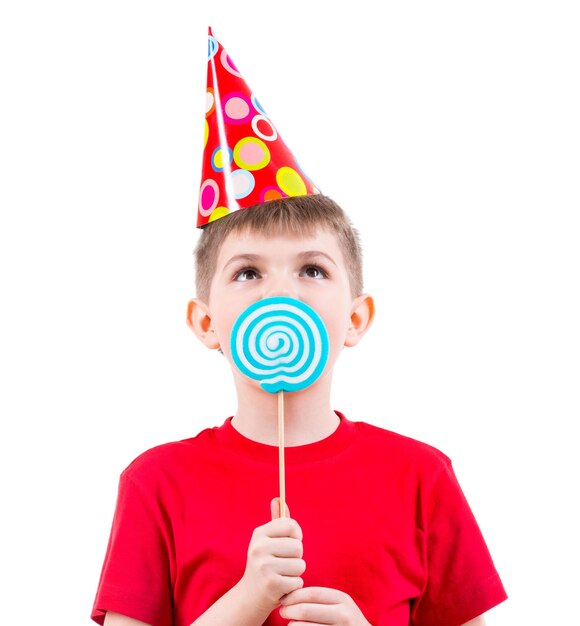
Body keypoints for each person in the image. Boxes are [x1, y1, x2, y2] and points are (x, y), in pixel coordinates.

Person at [91, 29, 507, 626]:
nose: (280, 291)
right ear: (206, 322)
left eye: (312, 269)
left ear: (356, 317)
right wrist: (245, 600)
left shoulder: (421, 477)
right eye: (248, 273)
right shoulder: (156, 483)